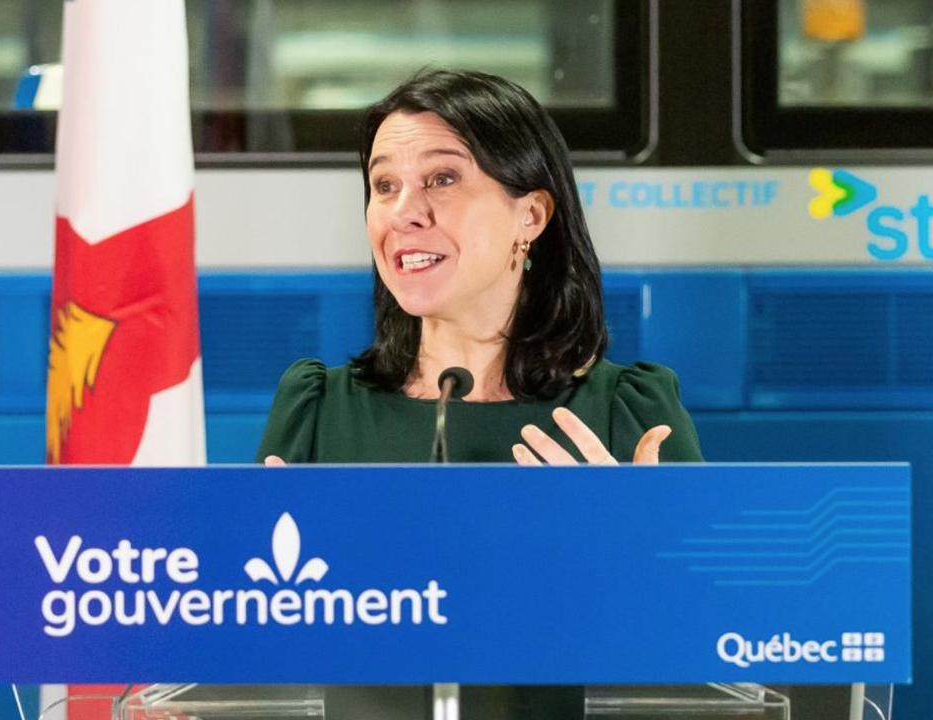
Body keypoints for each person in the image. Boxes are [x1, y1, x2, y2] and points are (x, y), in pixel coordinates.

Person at [258, 69, 702, 467]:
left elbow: (706, 538)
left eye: (442, 179)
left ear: (531, 216)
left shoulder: (628, 412)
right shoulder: (316, 411)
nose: (402, 213)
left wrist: (629, 523)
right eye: (385, 185)